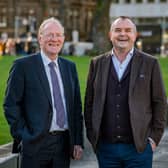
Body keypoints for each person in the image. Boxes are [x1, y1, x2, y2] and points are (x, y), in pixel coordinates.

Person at [84, 16, 167, 168]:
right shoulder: (96, 63)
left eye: (128, 30)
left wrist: (154, 138)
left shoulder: (150, 63)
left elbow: (160, 102)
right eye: (118, 30)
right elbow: (89, 102)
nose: (123, 34)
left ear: (135, 35)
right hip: (106, 149)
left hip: (139, 149)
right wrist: (92, 133)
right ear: (110, 35)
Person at [4, 17, 83, 168]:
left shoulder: (69, 67)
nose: (55, 39)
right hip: (34, 144)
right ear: (40, 38)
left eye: (58, 35)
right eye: (50, 35)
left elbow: (76, 107)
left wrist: (77, 141)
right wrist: (23, 136)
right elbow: (11, 104)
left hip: (63, 145)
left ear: (63, 39)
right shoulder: (23, 66)